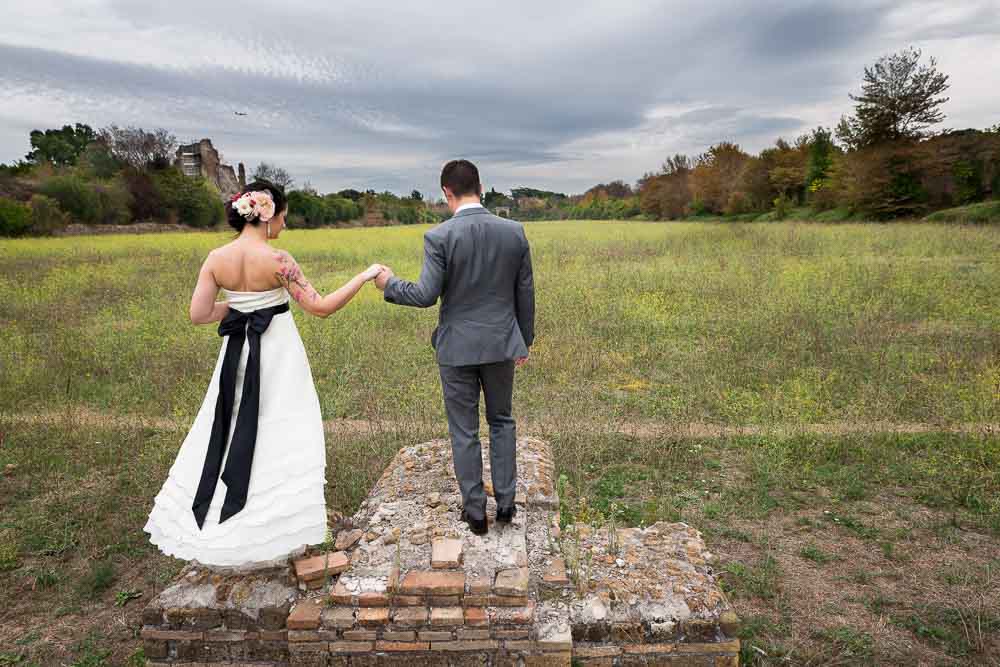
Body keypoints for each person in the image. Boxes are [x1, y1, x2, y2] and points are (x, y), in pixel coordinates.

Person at [144, 180, 385, 567]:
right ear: (267, 216)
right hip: (277, 355)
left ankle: (222, 528)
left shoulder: (215, 258)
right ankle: (271, 532)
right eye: (284, 219)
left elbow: (199, 315)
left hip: (235, 355)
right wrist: (365, 275)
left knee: (229, 428)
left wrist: (242, 307)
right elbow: (320, 308)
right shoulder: (279, 261)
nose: (285, 227)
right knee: (279, 431)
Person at [375, 160, 535, 535]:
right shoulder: (514, 232)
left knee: (463, 430)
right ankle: (507, 505)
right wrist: (523, 341)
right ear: (481, 187)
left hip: (457, 351)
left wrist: (389, 284)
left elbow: (426, 294)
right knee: (502, 421)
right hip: (501, 346)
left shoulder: (440, 237)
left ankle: (476, 514)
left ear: (447, 192)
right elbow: (524, 292)